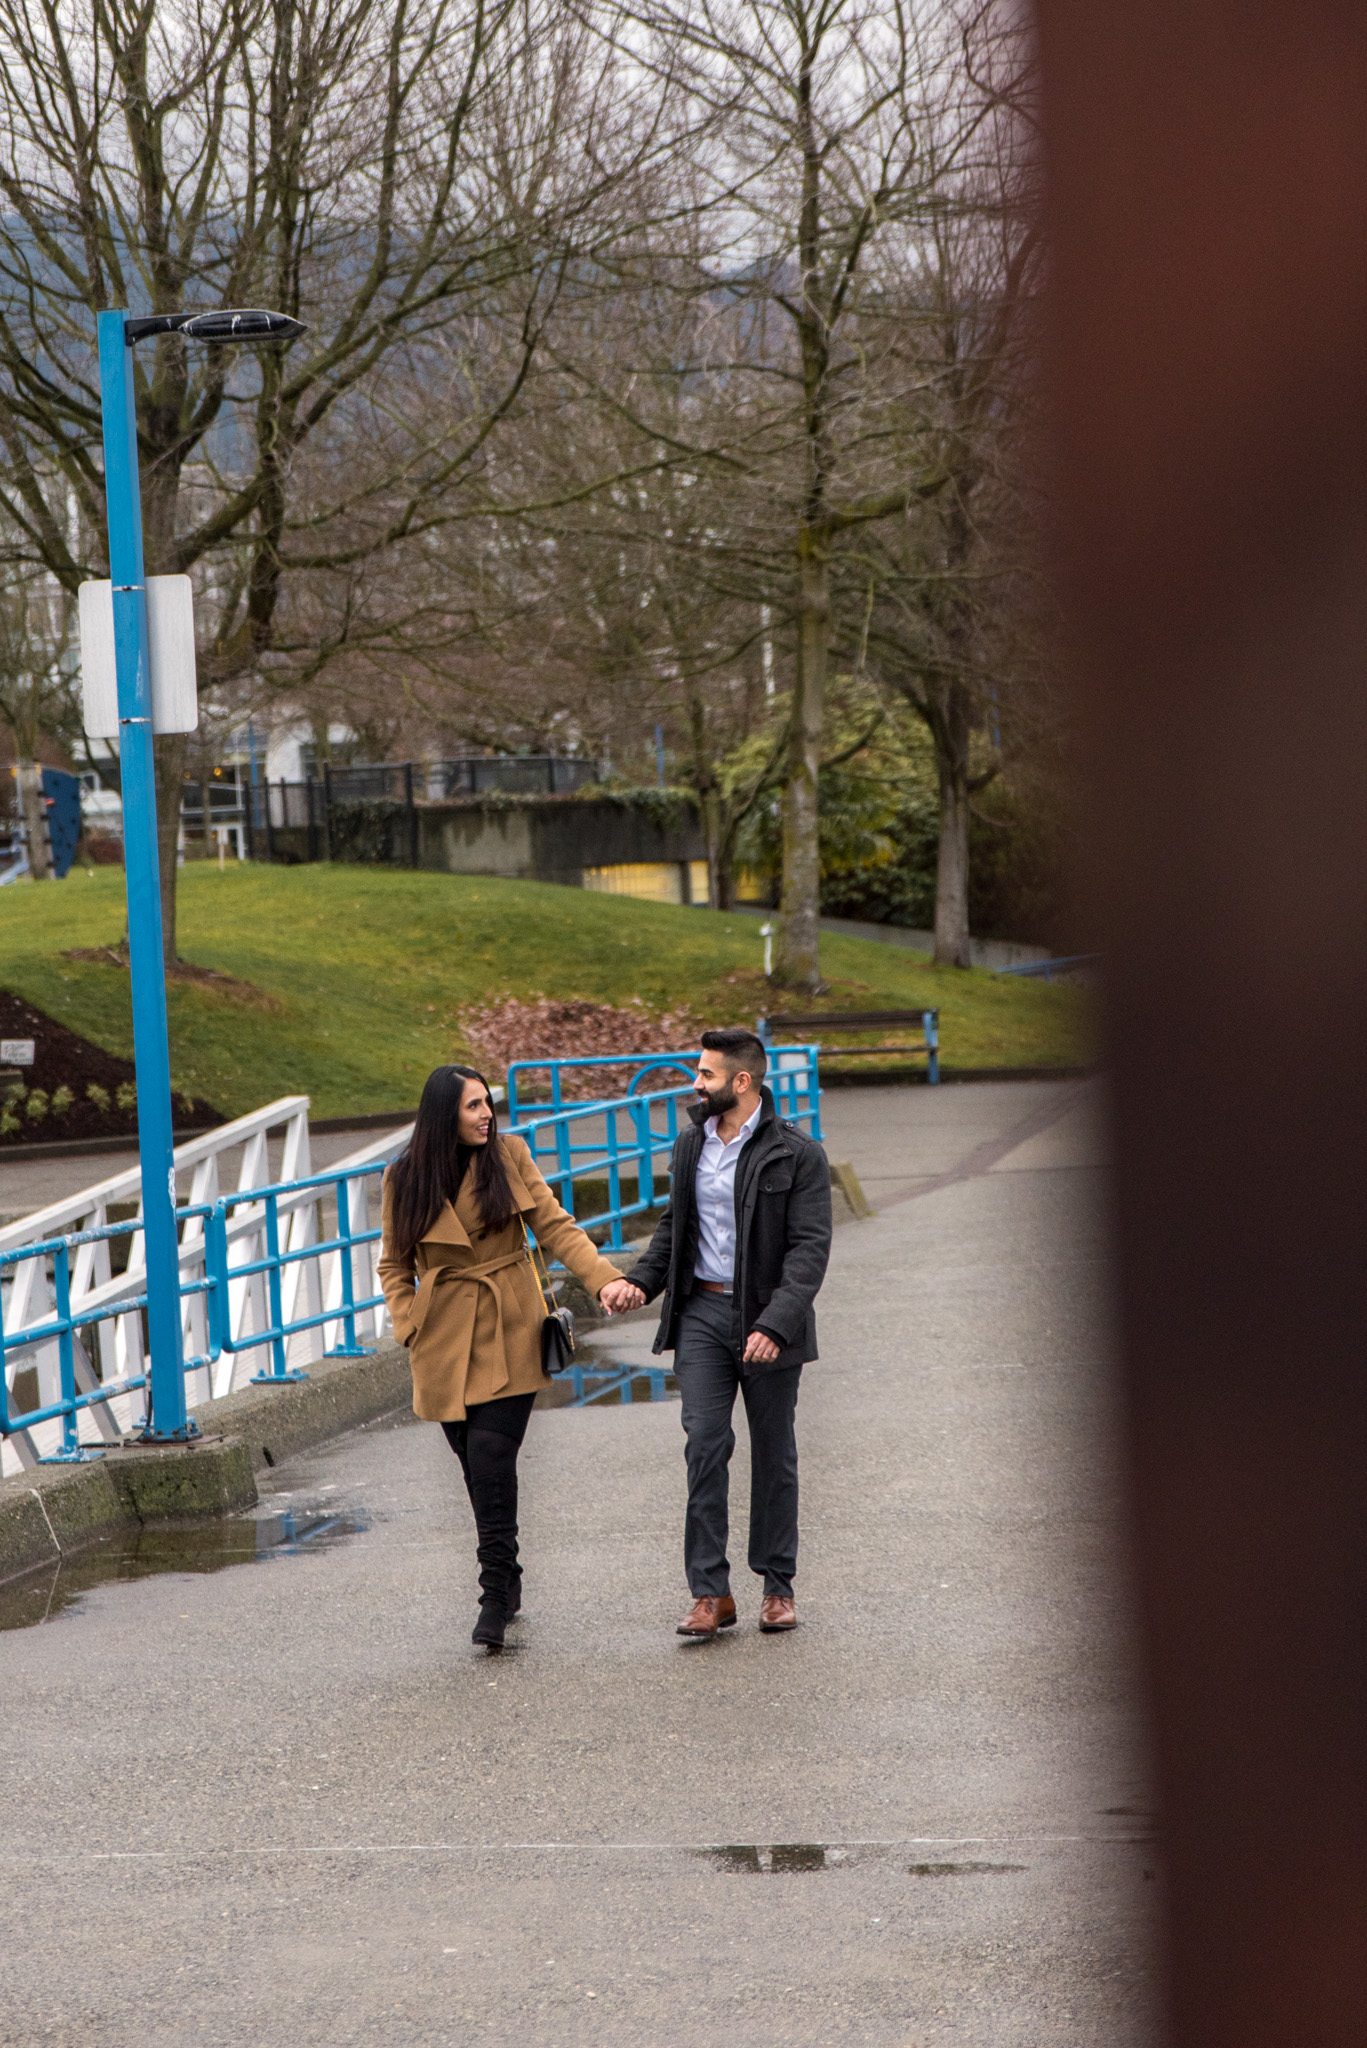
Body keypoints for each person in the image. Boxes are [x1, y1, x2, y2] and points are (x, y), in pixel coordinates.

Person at [378, 1064, 625, 1651]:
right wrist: (407, 1324)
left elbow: (556, 1228)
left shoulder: (509, 1155)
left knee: (491, 1453)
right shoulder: (405, 1176)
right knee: (472, 1462)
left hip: (508, 1320)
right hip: (440, 1334)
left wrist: (604, 1280)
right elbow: (394, 1264)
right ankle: (507, 1572)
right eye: (473, 1106)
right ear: (444, 1114)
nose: (487, 1114)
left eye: (488, 1103)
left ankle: (492, 1592)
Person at [600, 1027, 832, 1637]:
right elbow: (673, 1236)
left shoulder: (797, 1153)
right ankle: (710, 1593)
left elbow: (809, 1251)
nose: (694, 1084)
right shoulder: (690, 1144)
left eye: (705, 1074)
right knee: (705, 1443)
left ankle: (777, 1587)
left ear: (742, 1081)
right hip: (701, 1314)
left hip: (765, 1320)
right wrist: (638, 1285)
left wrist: (776, 1324)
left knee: (774, 1452)